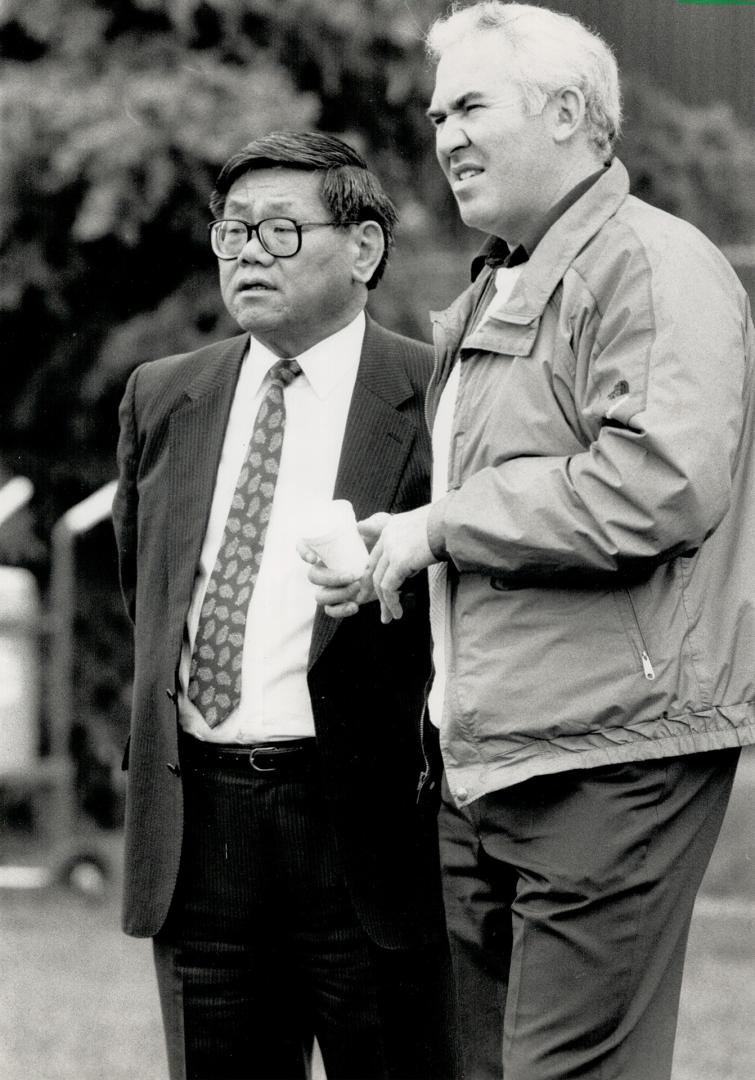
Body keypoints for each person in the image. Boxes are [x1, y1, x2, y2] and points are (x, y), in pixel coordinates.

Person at [307, 5, 755, 1079]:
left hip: (607, 762)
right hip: (484, 771)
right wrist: (387, 552)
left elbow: (653, 486)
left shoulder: (650, 264)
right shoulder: (489, 289)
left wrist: (437, 528)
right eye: (433, 114)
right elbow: (488, 514)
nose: (442, 136)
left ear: (567, 114)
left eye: (468, 106)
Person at [112, 131, 456, 1080]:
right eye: (231, 230)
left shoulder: (436, 394)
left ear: (363, 250)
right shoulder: (163, 396)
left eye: (277, 228)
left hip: (371, 829)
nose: (248, 251)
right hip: (200, 824)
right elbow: (145, 589)